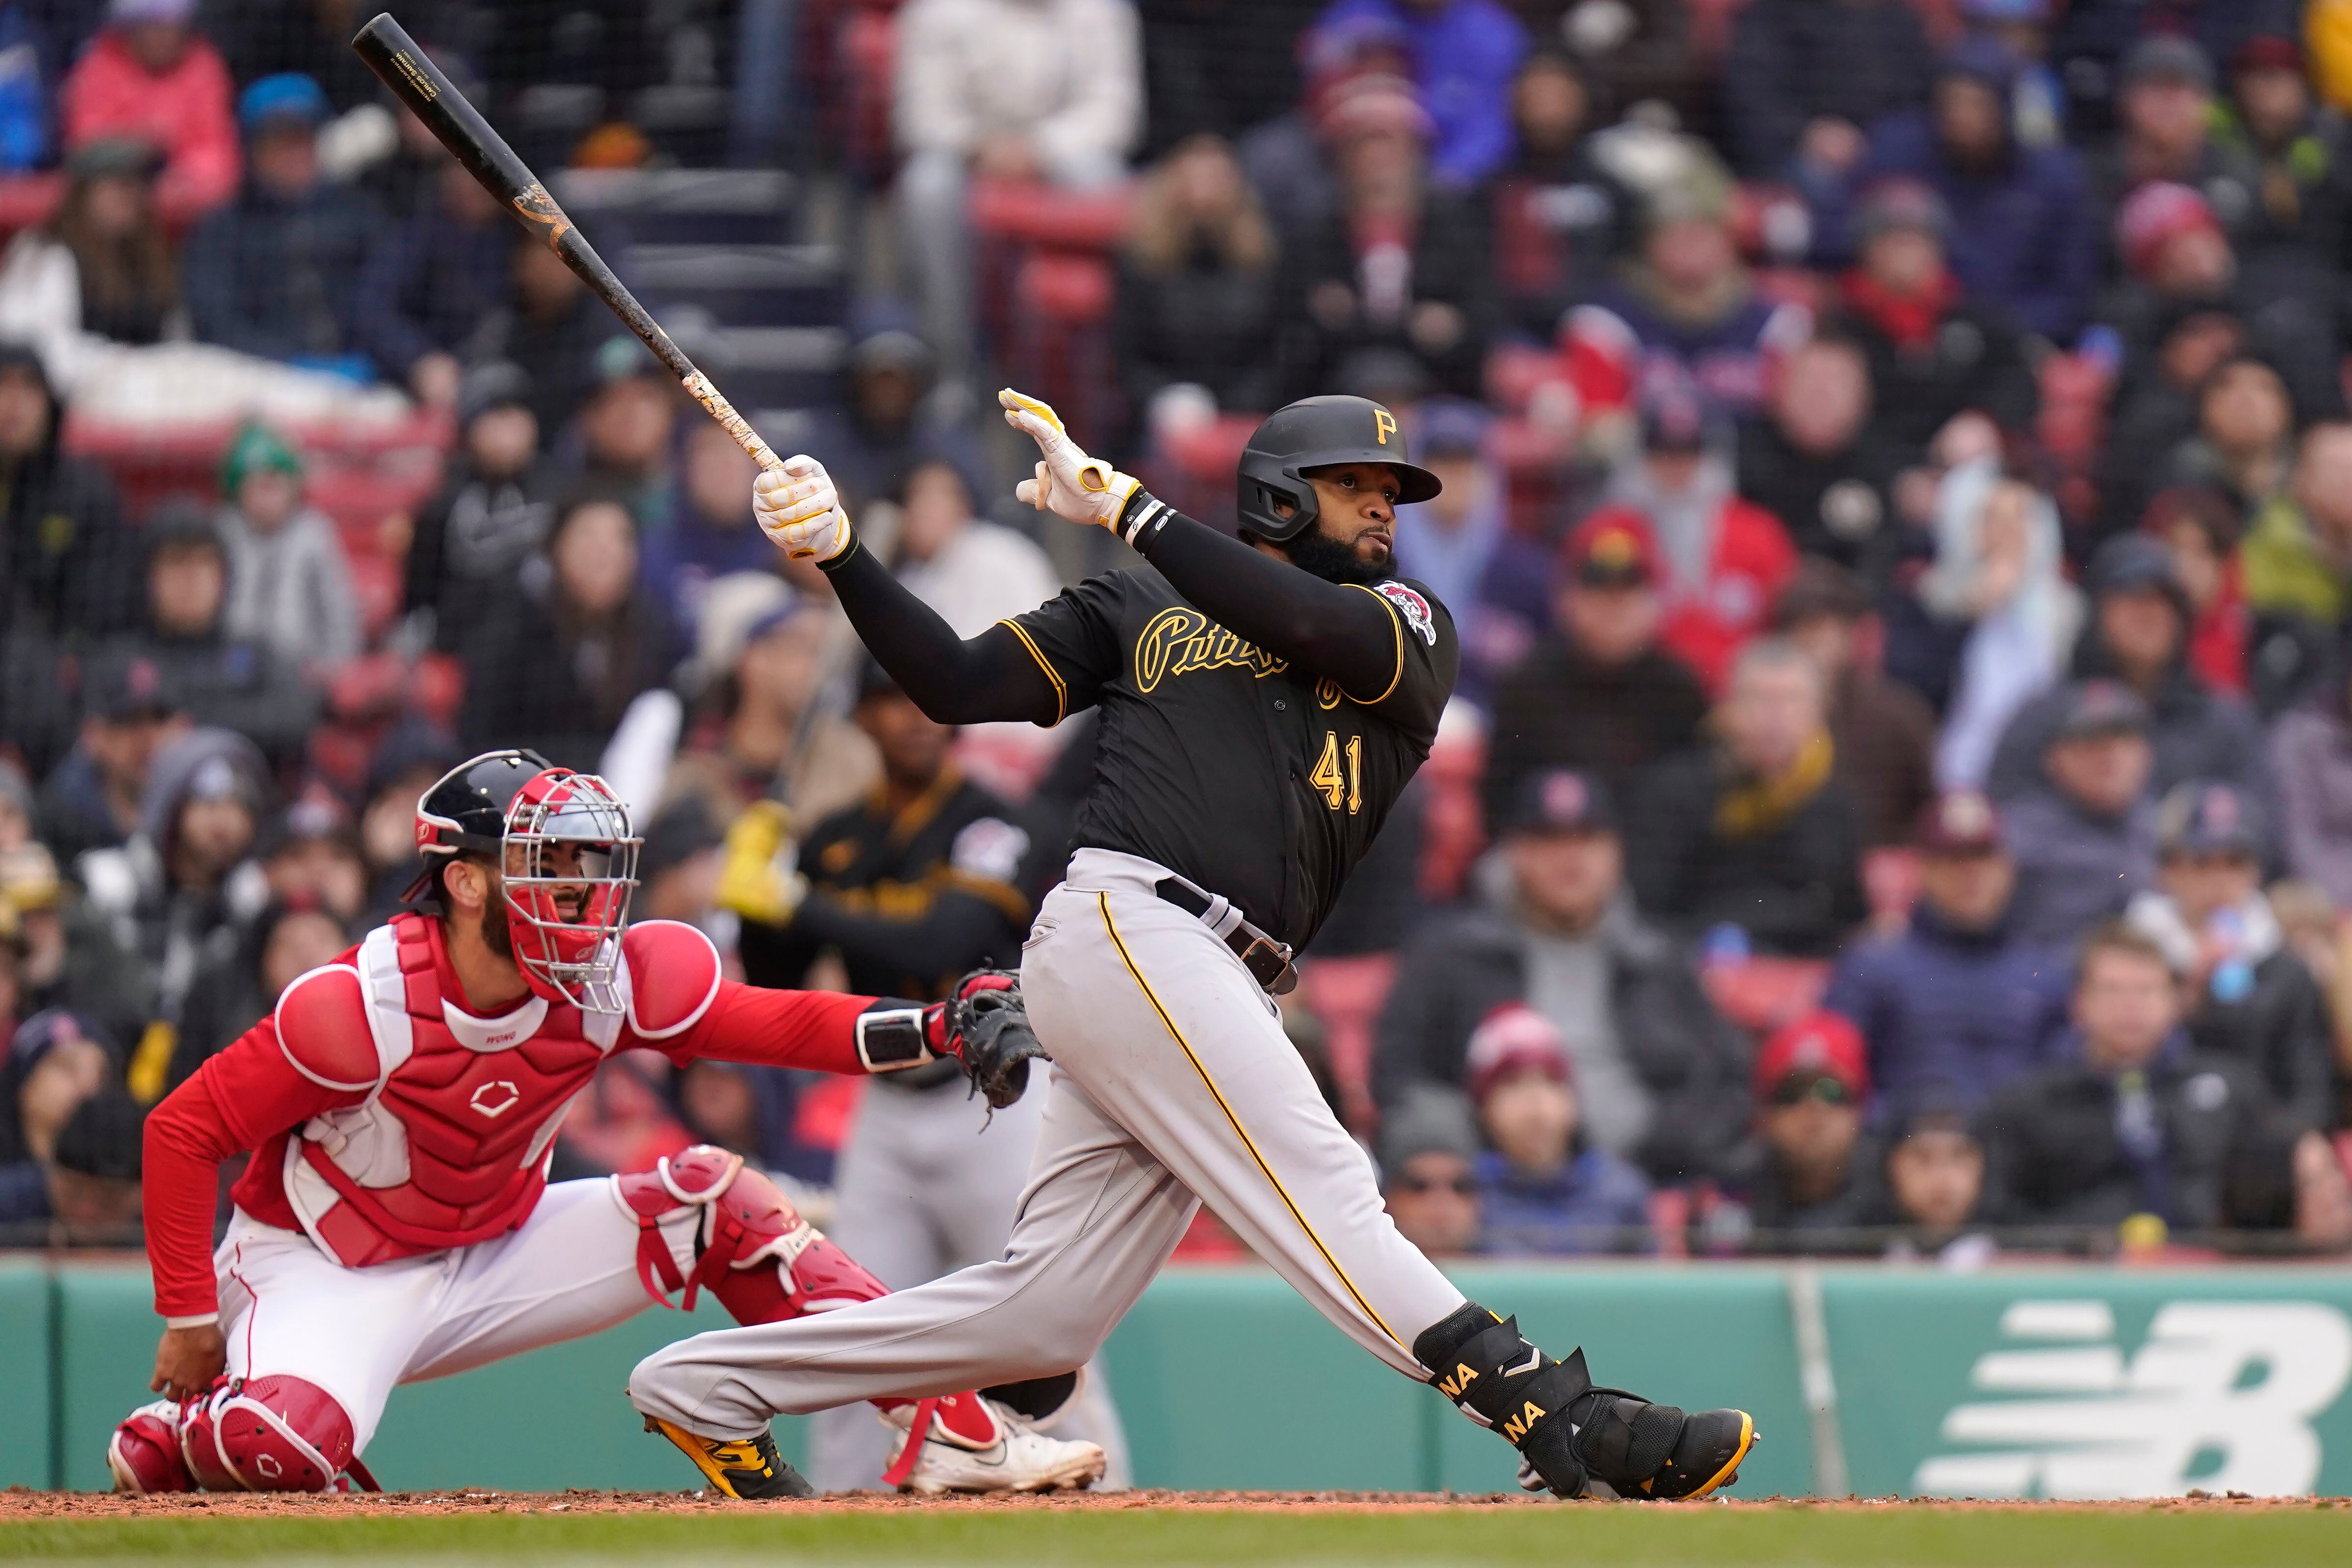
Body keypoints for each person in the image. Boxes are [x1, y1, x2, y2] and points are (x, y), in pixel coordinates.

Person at [632, 390, 1760, 1502]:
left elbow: (1310, 624)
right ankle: (1554, 1416)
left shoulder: (1407, 623)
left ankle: (710, 1383)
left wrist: (1127, 504)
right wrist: (844, 556)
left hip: (1210, 969)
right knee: (1327, 1188)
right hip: (1130, 921)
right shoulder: (1141, 600)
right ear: (1276, 497)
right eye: (1352, 485)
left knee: (1041, 1318)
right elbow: (954, 680)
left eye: (1390, 491)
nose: (1382, 507)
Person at [105, 750, 1105, 1497]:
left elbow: (777, 1024)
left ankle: (954, 1427)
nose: (582, 893)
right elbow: (182, 1130)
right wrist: (191, 1316)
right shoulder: (356, 1004)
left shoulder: (607, 975)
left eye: (588, 862)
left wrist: (933, 1023)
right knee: (284, 1448)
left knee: (713, 1196)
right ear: (464, 880)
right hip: (328, 1261)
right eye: (550, 865)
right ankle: (181, 1425)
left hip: (492, 1243)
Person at [726, 669, 1129, 1492]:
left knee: (1043, 1346)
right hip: (889, 1113)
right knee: (854, 1341)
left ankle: (1102, 1519)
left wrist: (796, 898)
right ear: (863, 719)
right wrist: (754, 899)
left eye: (926, 700)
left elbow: (944, 941)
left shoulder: (997, 822)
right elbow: (782, 975)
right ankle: (836, 1534)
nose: (912, 717)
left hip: (1006, 1101)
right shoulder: (836, 837)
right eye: (890, 702)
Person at [1377, 767, 1749, 1183]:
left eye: (1587, 838)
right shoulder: (1450, 954)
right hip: (1489, 1194)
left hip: (1644, 1187)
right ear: (1513, 852)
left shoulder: (1660, 959)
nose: (1570, 857)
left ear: (1616, 853)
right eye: (1548, 839)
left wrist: (1665, 1148)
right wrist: (1474, 1142)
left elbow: (1728, 1079)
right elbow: (1396, 1074)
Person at [892, 0, 1141, 381]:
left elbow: (1115, 113)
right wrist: (980, 145)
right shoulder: (936, 10)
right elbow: (921, 116)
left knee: (1103, 180)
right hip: (969, 155)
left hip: (1060, 154)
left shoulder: (1103, 10)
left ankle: (1100, 372)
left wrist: (1040, 147)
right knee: (926, 186)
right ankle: (948, 365)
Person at [1981, 921, 2275, 1236]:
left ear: (2174, 1001)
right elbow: (2003, 1215)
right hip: (2081, 1276)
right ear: (2079, 1004)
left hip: (2212, 1273)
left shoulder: (2230, 1087)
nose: (2130, 1005)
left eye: (2146, 990)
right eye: (2112, 990)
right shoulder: (2027, 1105)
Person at [1818, 37, 2094, 343]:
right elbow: (1831, 232)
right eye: (1951, 102)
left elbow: (2071, 295)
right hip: (1894, 327)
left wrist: (1989, 331)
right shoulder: (1897, 150)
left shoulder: (2054, 179)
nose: (1960, 116)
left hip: (2012, 342)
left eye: (1977, 103)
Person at [1823, 789, 2070, 1115]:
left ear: (2008, 869)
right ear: (1923, 870)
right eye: (1954, 860)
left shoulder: (2043, 973)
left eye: (1983, 858)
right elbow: (1836, 1080)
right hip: (1906, 1151)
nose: (1971, 876)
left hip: (2017, 1153)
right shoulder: (1872, 966)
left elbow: (2065, 1086)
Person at [1987, 534, 2271, 816]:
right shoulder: (2046, 719)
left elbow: (2259, 823)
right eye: (2132, 597)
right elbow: (2007, 817)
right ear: (2097, 613)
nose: (2149, 614)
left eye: (2164, 601)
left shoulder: (2224, 723)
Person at [1628, 638, 1868, 959]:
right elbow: (1647, 910)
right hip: (1689, 968)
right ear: (1727, 707)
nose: (1774, 717)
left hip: (1802, 973)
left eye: (1790, 701)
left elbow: (1848, 919)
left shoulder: (1834, 806)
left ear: (1818, 712)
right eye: (1758, 699)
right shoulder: (1674, 791)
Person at [2124, 782, 2338, 1132]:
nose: (2220, 879)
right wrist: (2189, 993)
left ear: (2256, 872)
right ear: (2169, 870)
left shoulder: (2285, 969)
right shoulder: (2132, 958)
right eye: (2202, 862)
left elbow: (2311, 1088)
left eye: (2235, 861)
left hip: (2265, 1147)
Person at [1281, 77, 1490, 400]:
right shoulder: (1314, 232)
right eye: (1363, 146)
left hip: (1442, 388)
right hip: (1336, 389)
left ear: (1416, 154)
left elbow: (1486, 315)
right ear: (1341, 160)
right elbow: (1290, 326)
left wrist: (1455, 328)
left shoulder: (1455, 227)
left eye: (1391, 144)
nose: (1378, 161)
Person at [1576, 393, 1798, 694]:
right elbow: (1583, 620)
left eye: (1689, 453)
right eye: (1663, 453)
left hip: (1741, 695)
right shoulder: (1606, 532)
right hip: (1636, 695)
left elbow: (1789, 622)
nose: (1677, 466)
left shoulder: (1759, 533)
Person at [458, 489, 681, 772]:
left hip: (629, 799)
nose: (604, 552)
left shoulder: (654, 631)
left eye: (619, 539)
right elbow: (480, 739)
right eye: (588, 537)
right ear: (556, 549)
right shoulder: (512, 630)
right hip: (532, 793)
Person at [1827, 178, 2039, 459]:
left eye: (1919, 239)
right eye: (1895, 240)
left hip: (1966, 463)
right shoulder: (1841, 324)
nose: (1908, 253)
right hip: (1864, 469)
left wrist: (1987, 422)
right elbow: (1828, 412)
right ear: (1867, 249)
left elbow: (2017, 376)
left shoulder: (1971, 315)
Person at [181, 75, 382, 372]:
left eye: (304, 138)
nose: (297, 153)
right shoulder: (221, 229)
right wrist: (290, 364)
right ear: (253, 150)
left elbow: (384, 303)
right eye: (281, 141)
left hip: (365, 380)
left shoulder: (361, 215)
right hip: (262, 382)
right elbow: (216, 323)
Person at [663, 586, 881, 831]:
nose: (819, 667)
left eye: (825, 652)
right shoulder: (689, 764)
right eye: (805, 647)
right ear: (752, 658)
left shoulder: (853, 762)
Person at [1113, 133, 1285, 434]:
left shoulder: (1263, 263)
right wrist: (1165, 400)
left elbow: (1278, 352)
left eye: (1216, 181)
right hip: (1163, 413)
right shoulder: (1141, 264)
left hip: (1249, 414)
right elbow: (1126, 357)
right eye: (1194, 181)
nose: (1205, 196)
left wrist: (1239, 407)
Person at [137, 502, 320, 768]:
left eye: (204, 562)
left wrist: (190, 724)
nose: (192, 578)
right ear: (148, 577)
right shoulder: (127, 658)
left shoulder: (256, 652)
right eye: (177, 562)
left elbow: (297, 717)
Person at [1774, 561, 1937, 850]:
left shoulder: (1895, 711)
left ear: (1850, 634)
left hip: (1881, 863)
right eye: (1797, 629)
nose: (1810, 642)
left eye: (1822, 627)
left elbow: (1931, 802)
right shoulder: (1765, 715)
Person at [1465, 1004, 1652, 1256]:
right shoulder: (1461, 1192)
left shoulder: (1621, 1192)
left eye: (1551, 1082)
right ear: (1484, 1107)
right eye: (1513, 1083)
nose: (1536, 1102)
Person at [403, 363, 559, 653]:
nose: (510, 425)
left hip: (546, 649)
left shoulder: (559, 490)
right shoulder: (443, 504)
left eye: (518, 410)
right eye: (496, 414)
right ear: (468, 430)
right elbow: (419, 600)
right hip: (464, 649)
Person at [0, 138, 182, 380]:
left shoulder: (153, 258)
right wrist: (120, 363)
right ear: (85, 193)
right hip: (75, 401)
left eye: (141, 185)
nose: (133, 197)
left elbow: (175, 338)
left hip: (153, 399)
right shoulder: (45, 253)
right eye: (121, 185)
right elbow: (33, 348)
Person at [2001, 679, 2161, 948]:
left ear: (2147, 754)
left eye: (2123, 740)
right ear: (2054, 758)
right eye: (2091, 742)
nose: (2109, 757)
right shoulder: (2013, 836)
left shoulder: (2170, 827)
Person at [1735, 332, 1906, 581]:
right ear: (1776, 389)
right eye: (1808, 379)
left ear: (1864, 396)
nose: (1820, 393)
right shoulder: (1738, 464)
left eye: (1836, 381)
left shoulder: (1889, 468)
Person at [0, 341, 137, 644]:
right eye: (3, 384)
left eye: (30, 387)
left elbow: (105, 607)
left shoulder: (86, 494)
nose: (14, 402)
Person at [56, 0, 237, 228]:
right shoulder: (98, 67)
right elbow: (87, 147)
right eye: (150, 26)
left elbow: (217, 155)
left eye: (170, 25)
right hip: (111, 208)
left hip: (187, 212)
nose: (161, 36)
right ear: (129, 29)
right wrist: (143, 145)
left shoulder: (205, 67)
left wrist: (183, 178)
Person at [1485, 51, 1625, 343]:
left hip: (1598, 327)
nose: (1546, 111)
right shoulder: (1491, 191)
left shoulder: (1613, 190)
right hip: (1513, 332)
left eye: (1557, 97)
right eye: (1535, 98)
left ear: (1581, 100)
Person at [350, 154, 510, 408]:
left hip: (491, 374)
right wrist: (419, 359)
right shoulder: (418, 235)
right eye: (465, 171)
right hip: (407, 379)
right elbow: (371, 306)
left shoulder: (516, 240)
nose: (474, 183)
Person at [211, 422, 361, 676]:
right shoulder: (223, 535)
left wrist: (334, 668)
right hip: (231, 669)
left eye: (275, 485)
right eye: (258, 487)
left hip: (302, 672)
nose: (268, 498)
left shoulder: (315, 536)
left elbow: (340, 615)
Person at [1722, 0, 1934, 179]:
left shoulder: (1901, 22)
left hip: (1883, 154)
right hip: (1796, 151)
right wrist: (1807, 133)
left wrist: (1880, 142)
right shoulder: (1777, 13)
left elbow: (1916, 99)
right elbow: (1752, 92)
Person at [1727, 1011, 1876, 1248]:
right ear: (1765, 1114)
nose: (1814, 1110)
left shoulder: (1891, 1194)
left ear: (1859, 1111)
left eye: (1832, 1093)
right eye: (1793, 1093)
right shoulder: (1735, 1192)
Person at [36, 647, 187, 868]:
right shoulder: (55, 823)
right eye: (128, 722)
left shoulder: (194, 815)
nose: (148, 740)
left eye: (159, 720)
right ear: (93, 735)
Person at [1376, 1086, 1482, 1257]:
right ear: (1387, 1198)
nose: (1442, 1203)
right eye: (1419, 1186)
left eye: (1460, 1186)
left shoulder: (1516, 1268)